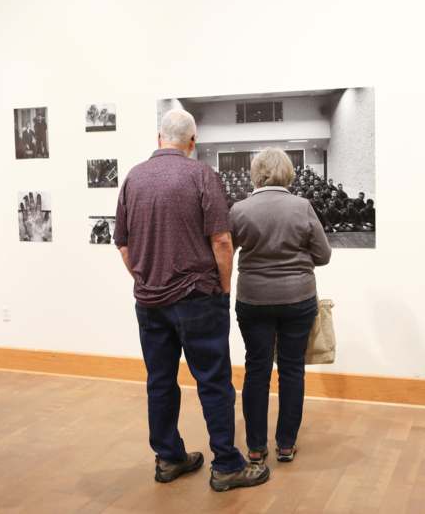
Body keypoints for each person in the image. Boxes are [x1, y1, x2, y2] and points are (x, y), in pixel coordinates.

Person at [114, 109, 269, 492]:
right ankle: (227, 466)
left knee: (160, 381)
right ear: (192, 142)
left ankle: (168, 458)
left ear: (158, 138)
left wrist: (144, 278)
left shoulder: (133, 178)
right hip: (198, 296)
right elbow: (220, 241)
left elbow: (123, 243)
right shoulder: (202, 175)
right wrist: (223, 286)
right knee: (214, 382)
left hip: (149, 301)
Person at [230, 147, 332, 466]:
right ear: (288, 172)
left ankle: (256, 449)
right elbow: (324, 255)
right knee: (291, 369)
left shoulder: (240, 209)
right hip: (297, 299)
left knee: (256, 369)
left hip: (253, 299)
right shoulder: (302, 207)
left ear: (256, 173)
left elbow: (225, 251)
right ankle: (286, 445)